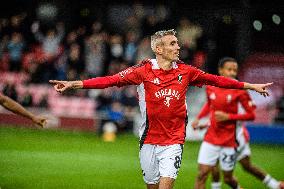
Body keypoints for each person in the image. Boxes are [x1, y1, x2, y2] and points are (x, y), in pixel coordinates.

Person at [50, 30, 272, 189]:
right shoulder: (143, 71)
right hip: (148, 139)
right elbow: (110, 80)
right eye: (173, 43)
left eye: (177, 43)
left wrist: (249, 85)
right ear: (158, 49)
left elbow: (217, 80)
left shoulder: (186, 71)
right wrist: (75, 84)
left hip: (174, 141)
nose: (178, 47)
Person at [192, 57, 284, 189]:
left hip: (233, 138)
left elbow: (251, 115)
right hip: (212, 137)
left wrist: (227, 116)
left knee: (231, 176)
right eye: (229, 69)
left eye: (234, 70)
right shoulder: (211, 87)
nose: (232, 73)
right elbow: (210, 104)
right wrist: (199, 118)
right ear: (220, 70)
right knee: (202, 173)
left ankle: (273, 184)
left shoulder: (240, 90)